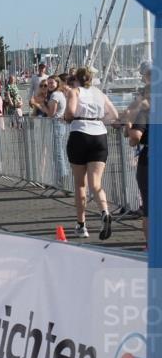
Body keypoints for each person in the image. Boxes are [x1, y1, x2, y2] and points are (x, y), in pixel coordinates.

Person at [63, 66, 119, 239]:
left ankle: (81, 225)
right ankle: (105, 211)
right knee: (96, 183)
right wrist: (100, 118)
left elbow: (71, 112)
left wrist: (65, 117)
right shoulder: (100, 93)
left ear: (77, 79)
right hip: (99, 134)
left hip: (80, 133)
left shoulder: (75, 91)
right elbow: (114, 114)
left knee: (80, 184)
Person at [124, 63, 151, 248]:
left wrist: (129, 129)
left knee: (150, 209)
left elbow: (135, 137)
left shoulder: (146, 110)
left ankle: (151, 246)